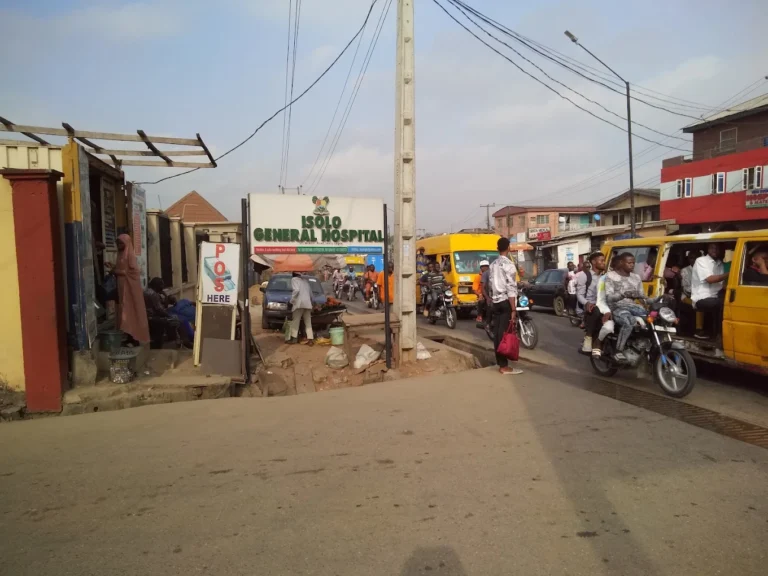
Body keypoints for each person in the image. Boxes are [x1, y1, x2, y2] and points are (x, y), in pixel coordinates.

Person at [488, 237, 523, 375]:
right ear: (508, 247)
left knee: (497, 334)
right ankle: (504, 366)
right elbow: (511, 287)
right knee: (504, 334)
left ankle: (501, 363)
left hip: (495, 302)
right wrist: (513, 309)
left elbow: (490, 285)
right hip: (504, 302)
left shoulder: (493, 265)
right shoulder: (509, 264)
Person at [107, 234, 149, 345]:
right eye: (118, 243)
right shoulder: (120, 255)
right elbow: (121, 268)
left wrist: (116, 272)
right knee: (124, 312)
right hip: (122, 288)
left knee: (131, 311)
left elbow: (134, 272)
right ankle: (129, 335)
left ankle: (135, 337)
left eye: (121, 243)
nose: (119, 245)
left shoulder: (129, 255)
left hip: (130, 289)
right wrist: (113, 268)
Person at [605, 252, 647, 360]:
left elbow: (642, 296)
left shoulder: (636, 277)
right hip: (617, 307)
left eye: (633, 263)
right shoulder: (611, 276)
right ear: (621, 263)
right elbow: (609, 297)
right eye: (629, 263)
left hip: (633, 307)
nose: (632, 265)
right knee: (629, 321)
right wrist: (622, 295)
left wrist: (653, 301)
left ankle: (641, 346)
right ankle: (618, 350)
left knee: (653, 319)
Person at [692, 243, 728, 340]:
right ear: (707, 249)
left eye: (717, 248)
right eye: (712, 247)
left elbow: (721, 284)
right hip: (702, 297)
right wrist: (730, 273)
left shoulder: (720, 263)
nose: (715, 250)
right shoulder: (701, 260)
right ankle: (718, 335)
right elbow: (710, 279)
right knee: (722, 304)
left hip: (716, 295)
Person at [576, 252, 607, 357]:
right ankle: (588, 339)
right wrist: (587, 303)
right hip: (589, 306)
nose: (604, 263)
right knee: (596, 310)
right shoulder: (585, 276)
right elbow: (579, 295)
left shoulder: (605, 277)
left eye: (604, 260)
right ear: (594, 262)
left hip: (602, 304)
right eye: (601, 261)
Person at [144, 277, 181, 348]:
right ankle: (171, 342)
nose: (162, 287)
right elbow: (159, 309)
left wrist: (164, 294)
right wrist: (169, 316)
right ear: (156, 286)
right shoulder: (153, 294)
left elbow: (162, 305)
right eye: (161, 286)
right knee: (173, 321)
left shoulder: (149, 291)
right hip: (151, 317)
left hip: (149, 316)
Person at [289, 272, 314, 345]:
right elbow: (311, 294)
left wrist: (292, 301)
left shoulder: (294, 279)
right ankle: (310, 339)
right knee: (308, 322)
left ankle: (294, 338)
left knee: (296, 321)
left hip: (299, 304)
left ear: (293, 275)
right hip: (307, 304)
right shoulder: (305, 281)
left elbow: (296, 290)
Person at [474, 260, 490, 324]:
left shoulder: (492, 275)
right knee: (481, 301)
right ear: (481, 268)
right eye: (483, 266)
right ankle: (479, 315)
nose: (485, 268)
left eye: (486, 266)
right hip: (482, 294)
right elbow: (474, 289)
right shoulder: (478, 277)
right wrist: (480, 294)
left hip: (491, 293)